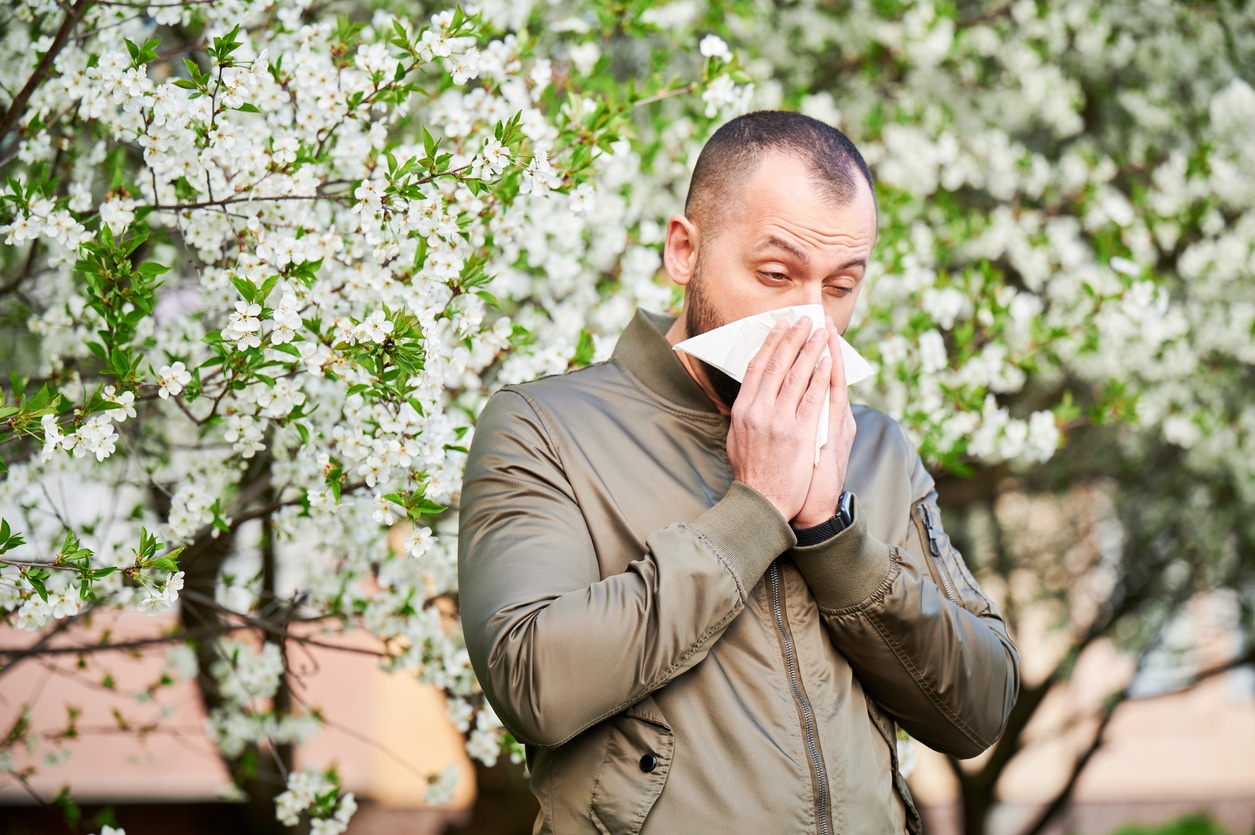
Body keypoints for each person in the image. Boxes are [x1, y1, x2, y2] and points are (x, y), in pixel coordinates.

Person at [458, 111, 1020, 834]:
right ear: (683, 250)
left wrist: (832, 532)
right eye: (776, 274)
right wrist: (755, 508)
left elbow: (977, 712)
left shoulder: (874, 444)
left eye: (840, 285)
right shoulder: (545, 428)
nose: (809, 322)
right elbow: (531, 682)